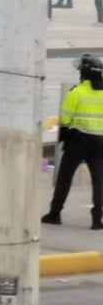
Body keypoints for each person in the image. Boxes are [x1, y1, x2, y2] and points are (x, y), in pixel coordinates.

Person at [43, 55, 103, 229]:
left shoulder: (76, 92)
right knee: (99, 181)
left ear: (83, 74)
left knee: (65, 178)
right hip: (100, 142)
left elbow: (66, 120)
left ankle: (54, 213)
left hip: (78, 141)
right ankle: (97, 220)